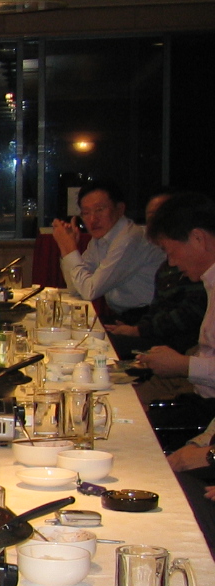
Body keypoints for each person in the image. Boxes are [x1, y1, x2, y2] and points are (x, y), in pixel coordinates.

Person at [141, 192, 215, 545]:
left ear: (198, 238)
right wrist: (202, 446)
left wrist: (208, 454)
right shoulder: (210, 281)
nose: (170, 262)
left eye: (172, 251)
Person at [105, 190, 207, 360]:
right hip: (159, 337)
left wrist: (139, 330)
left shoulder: (200, 272)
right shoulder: (167, 268)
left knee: (107, 346)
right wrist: (138, 327)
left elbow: (189, 316)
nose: (172, 262)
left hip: (174, 344)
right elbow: (156, 308)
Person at [52, 179, 164, 321]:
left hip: (148, 318)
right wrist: (65, 247)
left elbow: (90, 291)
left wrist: (70, 249)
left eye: (99, 210)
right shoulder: (98, 240)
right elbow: (76, 289)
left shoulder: (130, 238)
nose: (93, 219)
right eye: (86, 213)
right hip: (125, 316)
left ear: (120, 209)